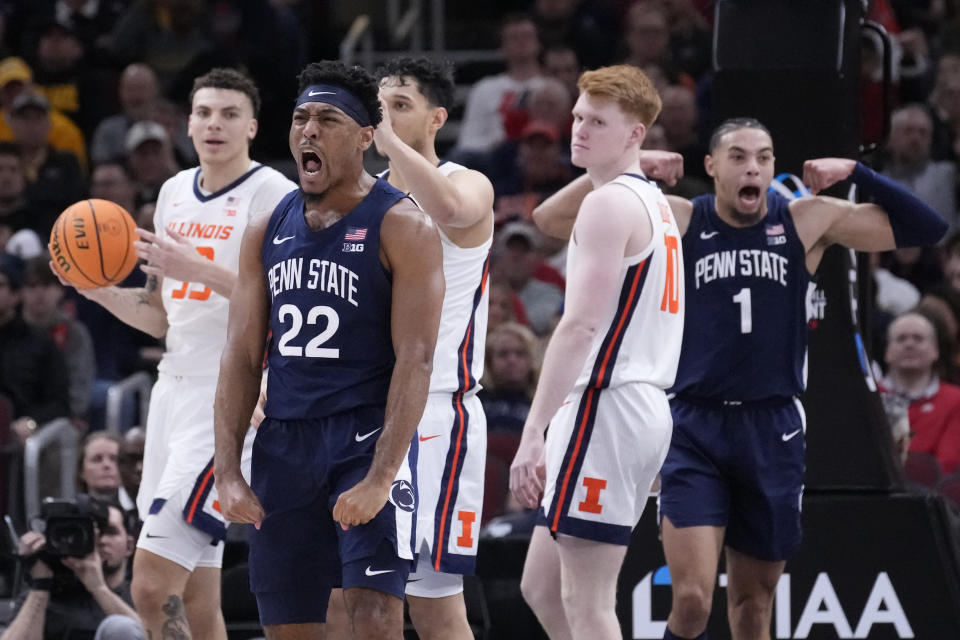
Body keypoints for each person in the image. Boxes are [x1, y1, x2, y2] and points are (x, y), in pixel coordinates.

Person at [532, 116, 948, 640]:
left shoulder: (805, 220)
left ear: (774, 166)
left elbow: (929, 229)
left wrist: (857, 172)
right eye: (738, 157)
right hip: (693, 425)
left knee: (753, 607)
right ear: (711, 167)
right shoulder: (678, 217)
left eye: (764, 157)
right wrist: (629, 169)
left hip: (771, 426)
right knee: (691, 600)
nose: (753, 167)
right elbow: (548, 219)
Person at [55, 68, 295, 640]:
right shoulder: (172, 192)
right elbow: (159, 316)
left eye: (229, 114)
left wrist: (200, 270)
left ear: (252, 127)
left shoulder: (274, 196)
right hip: (171, 391)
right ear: (187, 123)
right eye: (205, 113)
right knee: (194, 595)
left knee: (149, 585)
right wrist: (94, 288)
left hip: (231, 395)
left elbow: (289, 298)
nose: (215, 124)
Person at [213, 61, 444, 639]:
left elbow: (415, 361)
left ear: (367, 136)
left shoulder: (403, 225)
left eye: (327, 119)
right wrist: (227, 473)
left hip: (364, 437)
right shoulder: (265, 229)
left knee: (375, 619)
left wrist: (383, 474)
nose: (308, 131)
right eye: (300, 119)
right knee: (288, 626)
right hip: (285, 445)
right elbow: (241, 358)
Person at [510, 64, 685, 640]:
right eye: (578, 117)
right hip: (634, 407)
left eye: (598, 121)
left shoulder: (608, 205)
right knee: (540, 587)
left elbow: (580, 326)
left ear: (636, 135)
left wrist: (533, 431)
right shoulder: (653, 203)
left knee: (587, 601)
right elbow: (544, 218)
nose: (579, 130)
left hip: (605, 408)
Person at [370, 56, 495, 640]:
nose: (385, 119)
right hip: (362, 410)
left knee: (434, 605)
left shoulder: (469, 181)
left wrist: (391, 145)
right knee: (354, 597)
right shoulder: (360, 197)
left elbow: (450, 211)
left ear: (436, 118)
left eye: (400, 106)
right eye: (379, 108)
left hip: (435, 412)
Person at [0, 500, 144, 640]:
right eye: (88, 533)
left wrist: (99, 588)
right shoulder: (44, 597)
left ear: (130, 546)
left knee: (120, 628)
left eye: (110, 532)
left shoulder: (143, 597)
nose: (100, 541)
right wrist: (41, 584)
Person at [881, 310, 960, 475]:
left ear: (935, 351)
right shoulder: (869, 397)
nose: (909, 344)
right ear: (887, 351)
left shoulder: (955, 400)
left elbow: (947, 464)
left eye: (918, 338)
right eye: (901, 338)